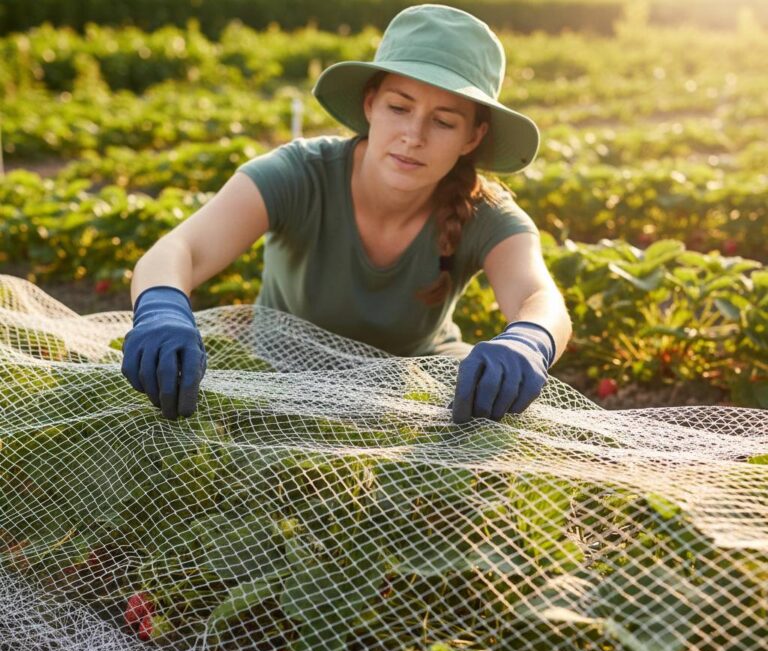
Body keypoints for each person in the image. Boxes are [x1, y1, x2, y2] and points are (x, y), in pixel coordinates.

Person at [121, 4, 572, 424]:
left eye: (444, 121)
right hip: (276, 378)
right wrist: (163, 309)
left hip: (413, 399)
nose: (413, 136)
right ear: (370, 104)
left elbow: (541, 298)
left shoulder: (486, 213)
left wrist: (527, 340)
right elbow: (182, 248)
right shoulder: (299, 174)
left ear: (473, 137)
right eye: (399, 107)